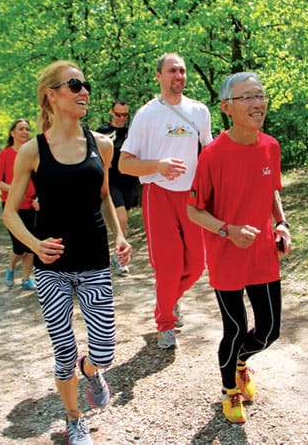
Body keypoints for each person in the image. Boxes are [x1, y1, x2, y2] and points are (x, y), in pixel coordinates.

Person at [3, 60, 132, 445]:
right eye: (73, 85)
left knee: (105, 350)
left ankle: (91, 371)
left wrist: (120, 236)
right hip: (52, 268)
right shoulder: (32, 150)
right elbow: (10, 213)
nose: (83, 91)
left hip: (94, 261)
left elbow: (106, 196)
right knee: (62, 352)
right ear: (52, 95)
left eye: (85, 84)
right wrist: (33, 244)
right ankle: (74, 418)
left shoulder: (102, 145)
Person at [187, 72, 292, 424]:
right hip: (227, 255)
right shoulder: (213, 155)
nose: (257, 103)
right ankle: (229, 390)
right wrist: (227, 230)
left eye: (260, 95)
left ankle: (240, 363)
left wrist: (281, 224)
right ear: (227, 107)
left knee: (270, 329)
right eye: (247, 97)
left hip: (263, 252)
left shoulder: (270, 146)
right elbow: (193, 209)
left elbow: (273, 191)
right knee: (234, 328)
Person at [119, 52, 213, 349]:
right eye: (172, 71)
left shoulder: (199, 111)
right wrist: (158, 165)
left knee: (197, 265)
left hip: (192, 196)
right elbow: (124, 164)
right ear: (159, 76)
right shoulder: (146, 115)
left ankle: (167, 302)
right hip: (158, 194)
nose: (179, 76)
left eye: (182, 71)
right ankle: (165, 324)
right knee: (169, 265)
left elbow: (209, 153)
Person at [0, 119, 38, 291]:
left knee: (32, 245)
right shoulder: (5, 154)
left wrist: (38, 198)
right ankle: (11, 268)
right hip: (12, 207)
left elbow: (40, 180)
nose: (25, 132)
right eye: (21, 129)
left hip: (31, 206)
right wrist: (13, 188)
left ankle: (26, 280)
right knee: (20, 248)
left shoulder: (34, 153)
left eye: (27, 129)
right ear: (13, 133)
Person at [96, 99, 140, 275]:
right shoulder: (102, 132)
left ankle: (118, 253)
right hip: (110, 181)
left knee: (124, 220)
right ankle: (118, 256)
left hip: (129, 181)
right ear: (111, 112)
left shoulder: (133, 132)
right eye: (118, 114)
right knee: (120, 217)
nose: (122, 117)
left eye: (125, 114)